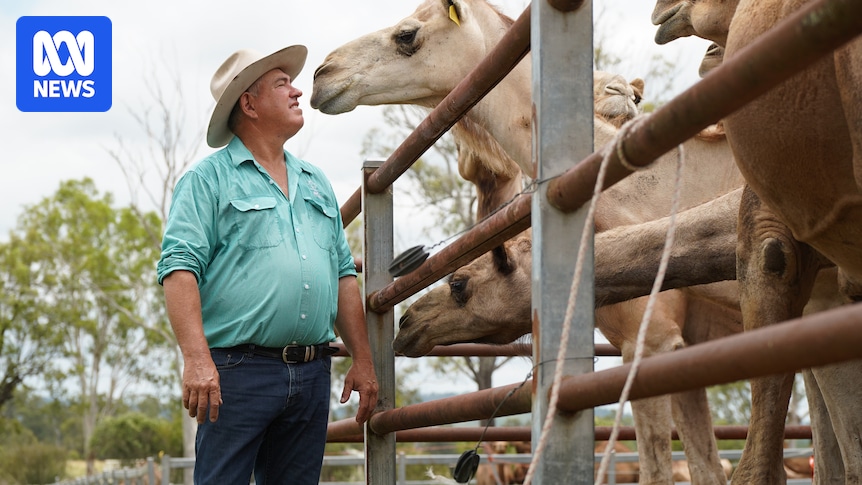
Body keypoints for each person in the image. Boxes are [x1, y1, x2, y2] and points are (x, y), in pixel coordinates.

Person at [157, 45, 378, 484]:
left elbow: (342, 274)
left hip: (313, 373)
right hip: (238, 373)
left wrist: (364, 360)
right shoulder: (207, 181)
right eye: (282, 84)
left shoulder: (315, 182)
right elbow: (179, 268)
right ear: (249, 104)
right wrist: (197, 360)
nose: (298, 92)